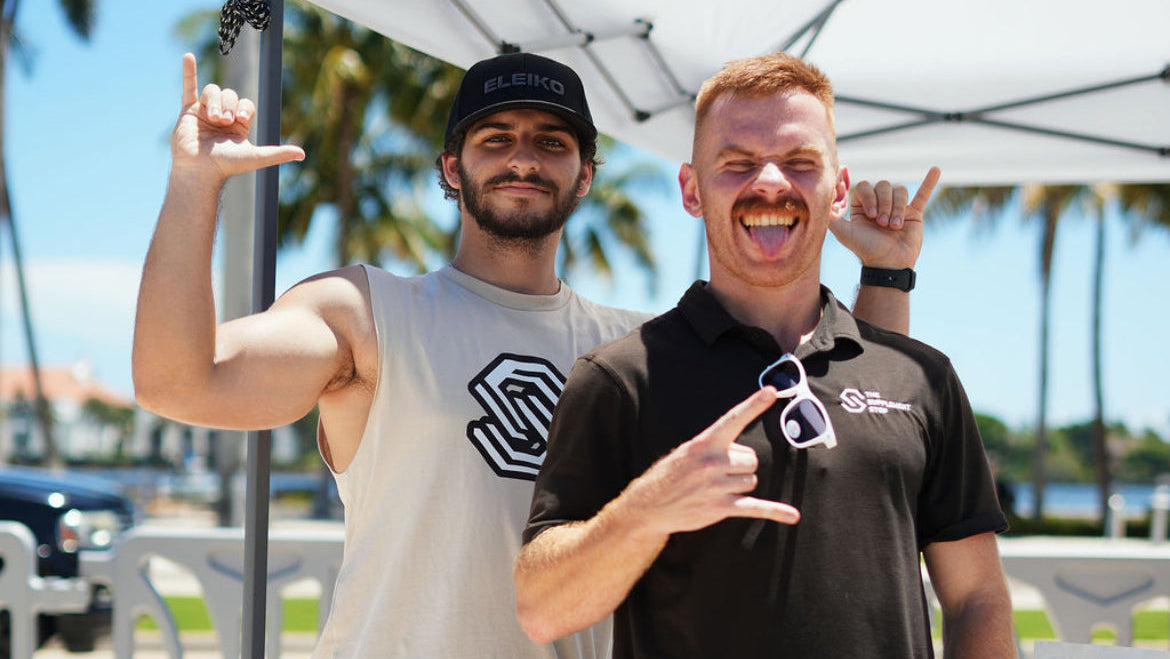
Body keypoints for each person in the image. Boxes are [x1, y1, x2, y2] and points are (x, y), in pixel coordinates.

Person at [133, 49, 921, 658]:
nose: (523, 158)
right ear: (453, 167)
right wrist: (194, 185)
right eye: (495, 138)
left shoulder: (642, 349)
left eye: (551, 142)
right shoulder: (369, 314)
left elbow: (848, 424)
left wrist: (885, 272)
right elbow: (179, 381)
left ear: (584, 178)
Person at [515, 53, 1016, 658]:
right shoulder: (620, 377)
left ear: (837, 189)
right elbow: (543, 608)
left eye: (801, 162)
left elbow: (978, 598)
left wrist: (887, 270)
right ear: (692, 190)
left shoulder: (920, 377)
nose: (772, 181)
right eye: (738, 164)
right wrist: (647, 510)